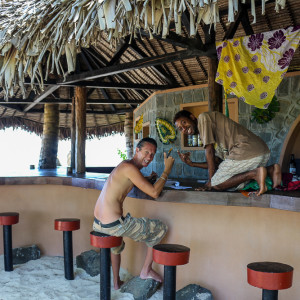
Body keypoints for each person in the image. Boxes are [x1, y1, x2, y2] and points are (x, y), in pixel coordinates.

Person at [93, 137, 175, 289]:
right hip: (113, 224)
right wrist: (167, 170)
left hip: (98, 222)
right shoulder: (130, 169)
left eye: (152, 154)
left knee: (116, 246)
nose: (149, 157)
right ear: (137, 150)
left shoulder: (126, 166)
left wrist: (147, 179)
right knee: (159, 228)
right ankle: (146, 270)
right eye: (146, 152)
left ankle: (117, 283)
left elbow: (131, 180)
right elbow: (155, 193)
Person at [174, 110, 281, 196]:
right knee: (232, 181)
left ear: (192, 117)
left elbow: (209, 151)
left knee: (218, 184)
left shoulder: (203, 118)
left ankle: (255, 173)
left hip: (245, 149)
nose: (183, 128)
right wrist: (192, 164)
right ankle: (270, 170)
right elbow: (216, 162)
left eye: (184, 122)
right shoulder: (206, 133)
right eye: (180, 128)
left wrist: (211, 182)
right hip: (259, 152)